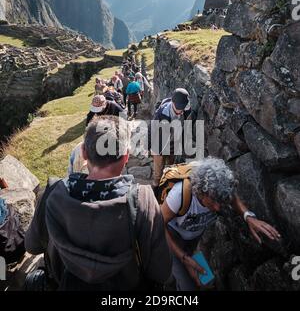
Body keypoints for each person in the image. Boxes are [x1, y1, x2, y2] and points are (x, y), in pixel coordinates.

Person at [25, 116, 172, 291]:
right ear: (126, 157)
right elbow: (162, 272)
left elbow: (32, 246)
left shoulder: (52, 192)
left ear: (84, 153)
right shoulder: (142, 200)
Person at [160, 157, 281, 291]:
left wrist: (249, 217)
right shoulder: (180, 194)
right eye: (212, 202)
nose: (217, 207)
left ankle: (171, 280)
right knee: (189, 286)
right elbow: (159, 223)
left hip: (193, 237)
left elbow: (232, 197)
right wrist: (184, 258)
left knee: (203, 280)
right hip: (172, 237)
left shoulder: (217, 192)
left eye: (220, 201)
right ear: (200, 192)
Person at [150, 88, 195, 191]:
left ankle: (168, 189)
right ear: (172, 102)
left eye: (182, 108)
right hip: (159, 144)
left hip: (174, 143)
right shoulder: (161, 113)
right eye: (178, 108)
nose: (180, 111)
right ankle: (155, 191)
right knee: (158, 172)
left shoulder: (186, 107)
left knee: (171, 169)